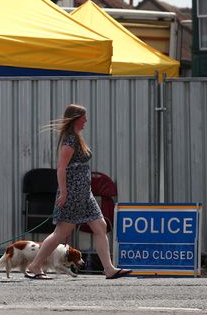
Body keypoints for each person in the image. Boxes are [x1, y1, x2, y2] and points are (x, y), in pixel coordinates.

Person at [24, 104, 131, 280]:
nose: (86, 121)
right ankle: (35, 266)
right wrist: (64, 192)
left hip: (84, 193)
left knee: (100, 226)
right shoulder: (70, 140)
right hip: (73, 192)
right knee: (61, 233)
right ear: (75, 118)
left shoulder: (76, 137)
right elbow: (61, 167)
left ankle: (109, 269)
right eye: (83, 117)